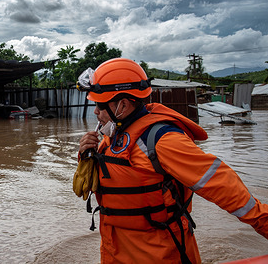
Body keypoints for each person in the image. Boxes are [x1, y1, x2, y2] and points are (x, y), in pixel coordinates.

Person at [75, 58, 268, 263]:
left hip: (160, 254)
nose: (95, 111)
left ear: (122, 105)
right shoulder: (112, 135)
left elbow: (223, 185)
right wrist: (85, 156)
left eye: (99, 105)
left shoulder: (164, 141)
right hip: (115, 251)